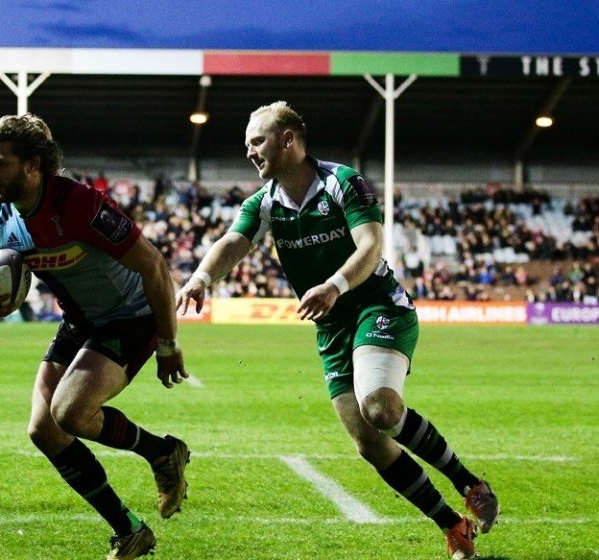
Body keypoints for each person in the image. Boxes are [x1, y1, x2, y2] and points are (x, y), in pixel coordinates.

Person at [176, 101, 500, 560]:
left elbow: (370, 245)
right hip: (330, 327)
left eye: (257, 141)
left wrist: (334, 285)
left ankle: (471, 485)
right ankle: (453, 526)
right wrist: (201, 277)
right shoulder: (265, 201)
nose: (249, 152)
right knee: (369, 443)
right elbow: (233, 242)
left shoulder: (342, 182)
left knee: (380, 408)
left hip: (376, 305)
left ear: (288, 140)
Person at [0, 113, 190, 560]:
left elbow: (155, 266)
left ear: (32, 166)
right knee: (43, 429)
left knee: (71, 412)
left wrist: (167, 343)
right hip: (80, 321)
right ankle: (130, 530)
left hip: (131, 315)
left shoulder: (80, 205)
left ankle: (162, 453)